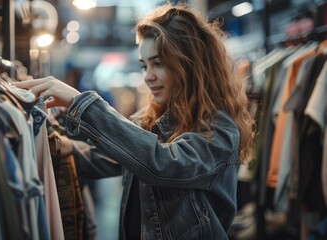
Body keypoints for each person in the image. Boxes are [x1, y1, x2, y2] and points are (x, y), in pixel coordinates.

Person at [14, 2, 254, 239]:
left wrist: (82, 104)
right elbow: (101, 159)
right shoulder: (152, 120)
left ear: (189, 64)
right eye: (144, 65)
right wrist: (45, 137)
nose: (148, 77)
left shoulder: (219, 130)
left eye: (158, 63)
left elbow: (163, 163)